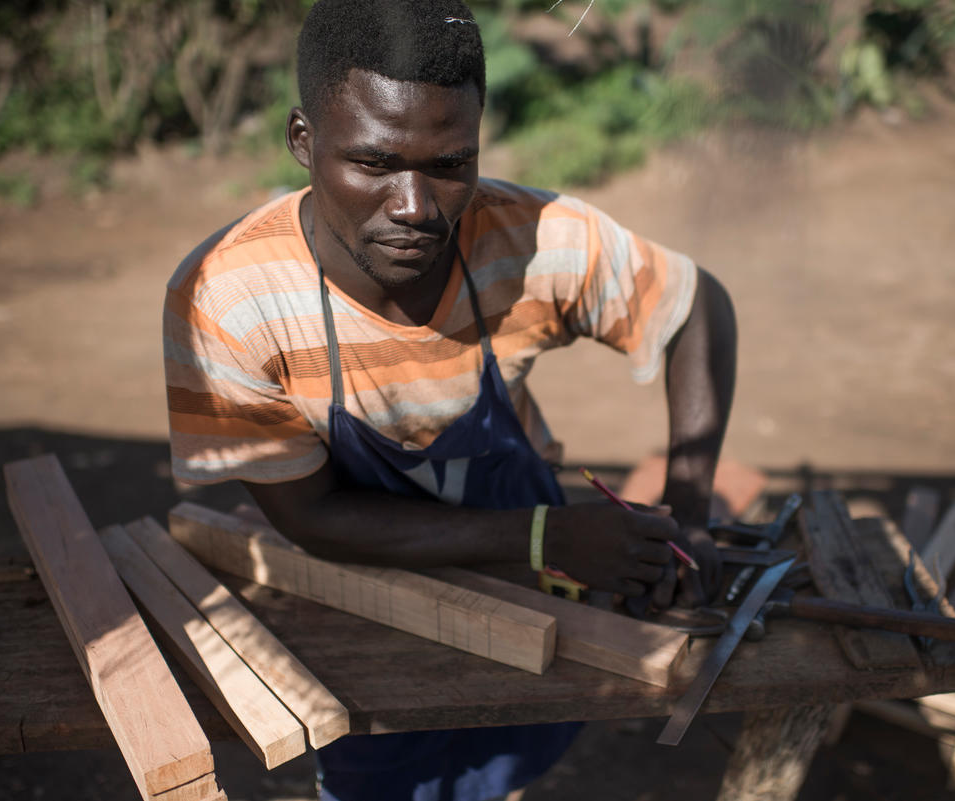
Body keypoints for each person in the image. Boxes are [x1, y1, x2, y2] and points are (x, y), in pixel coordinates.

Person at [163, 1, 736, 799]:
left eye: (449, 165)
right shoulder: (229, 300)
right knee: (378, 764)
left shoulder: (526, 237)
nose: (414, 207)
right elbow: (310, 517)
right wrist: (545, 534)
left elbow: (696, 306)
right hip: (354, 598)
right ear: (303, 140)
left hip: (533, 604)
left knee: (510, 749)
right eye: (373, 163)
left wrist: (692, 509)